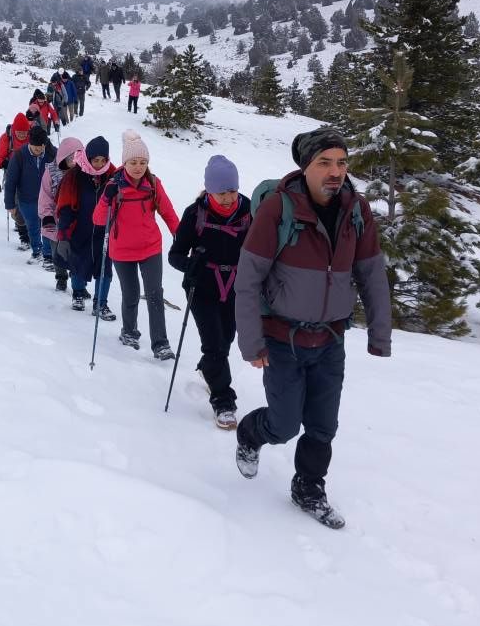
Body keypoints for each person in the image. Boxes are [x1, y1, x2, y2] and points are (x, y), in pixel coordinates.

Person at [233, 127, 392, 528]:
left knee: (323, 424)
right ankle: (251, 434)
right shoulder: (279, 208)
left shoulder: (356, 211)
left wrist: (380, 332)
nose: (335, 171)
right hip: (282, 338)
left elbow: (371, 273)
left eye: (341, 162)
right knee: (284, 424)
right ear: (306, 167)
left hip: (331, 338)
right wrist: (251, 342)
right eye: (324, 163)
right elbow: (249, 278)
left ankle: (308, 487)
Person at [168, 155, 251, 429]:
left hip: (236, 286)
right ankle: (223, 400)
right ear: (209, 190)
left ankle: (208, 369)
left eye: (232, 191)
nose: (228, 198)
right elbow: (175, 254)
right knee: (214, 343)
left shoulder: (250, 211)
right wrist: (191, 264)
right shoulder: (196, 214)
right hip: (202, 287)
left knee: (226, 339)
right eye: (221, 192)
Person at [93, 130, 179, 360]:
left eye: (143, 162)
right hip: (121, 250)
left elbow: (168, 211)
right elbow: (98, 220)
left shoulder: (152, 182)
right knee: (130, 294)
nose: (138, 167)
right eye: (133, 162)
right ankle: (129, 332)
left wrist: (179, 235)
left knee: (154, 294)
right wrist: (105, 197)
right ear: (125, 162)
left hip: (150, 247)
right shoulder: (114, 185)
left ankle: (160, 343)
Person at [56, 136, 117, 319]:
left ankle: (101, 303)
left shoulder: (113, 176)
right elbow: (65, 207)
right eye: (95, 160)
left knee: (105, 267)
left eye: (103, 160)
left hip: (103, 231)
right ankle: (78, 293)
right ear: (88, 158)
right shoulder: (74, 176)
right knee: (78, 262)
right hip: (79, 228)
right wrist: (64, 236)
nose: (99, 164)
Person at [4, 125, 57, 262]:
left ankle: (48, 256)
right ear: (30, 143)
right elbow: (10, 181)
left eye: (41, 146)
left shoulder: (53, 154)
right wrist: (10, 203)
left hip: (48, 199)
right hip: (27, 199)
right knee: (33, 226)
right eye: (35, 146)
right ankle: (37, 251)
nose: (38, 149)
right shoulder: (19, 155)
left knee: (47, 226)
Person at [39, 135, 84, 289]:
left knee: (76, 253)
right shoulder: (51, 172)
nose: (74, 162)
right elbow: (45, 196)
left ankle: (78, 284)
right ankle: (61, 276)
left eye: (78, 158)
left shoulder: (85, 173)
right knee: (57, 252)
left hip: (77, 221)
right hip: (55, 222)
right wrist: (47, 216)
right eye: (71, 158)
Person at [0, 112, 31, 250]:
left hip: (29, 174)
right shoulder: (6, 138)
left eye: (24, 132)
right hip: (12, 175)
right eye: (19, 132)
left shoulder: (32, 136)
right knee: (14, 204)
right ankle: (24, 237)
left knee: (27, 204)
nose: (21, 135)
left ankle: (26, 234)